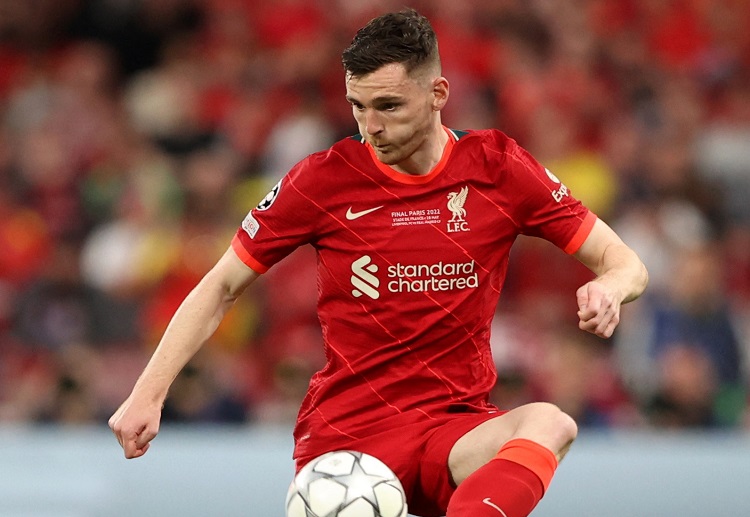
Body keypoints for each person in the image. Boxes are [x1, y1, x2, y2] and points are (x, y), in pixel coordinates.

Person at [109, 9, 648, 517]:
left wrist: (610, 286)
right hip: (348, 440)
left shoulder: (497, 168)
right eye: (358, 106)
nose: (371, 126)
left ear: (438, 94)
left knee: (551, 423)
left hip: (452, 431)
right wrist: (147, 395)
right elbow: (221, 285)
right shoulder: (322, 180)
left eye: (388, 106)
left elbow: (625, 263)